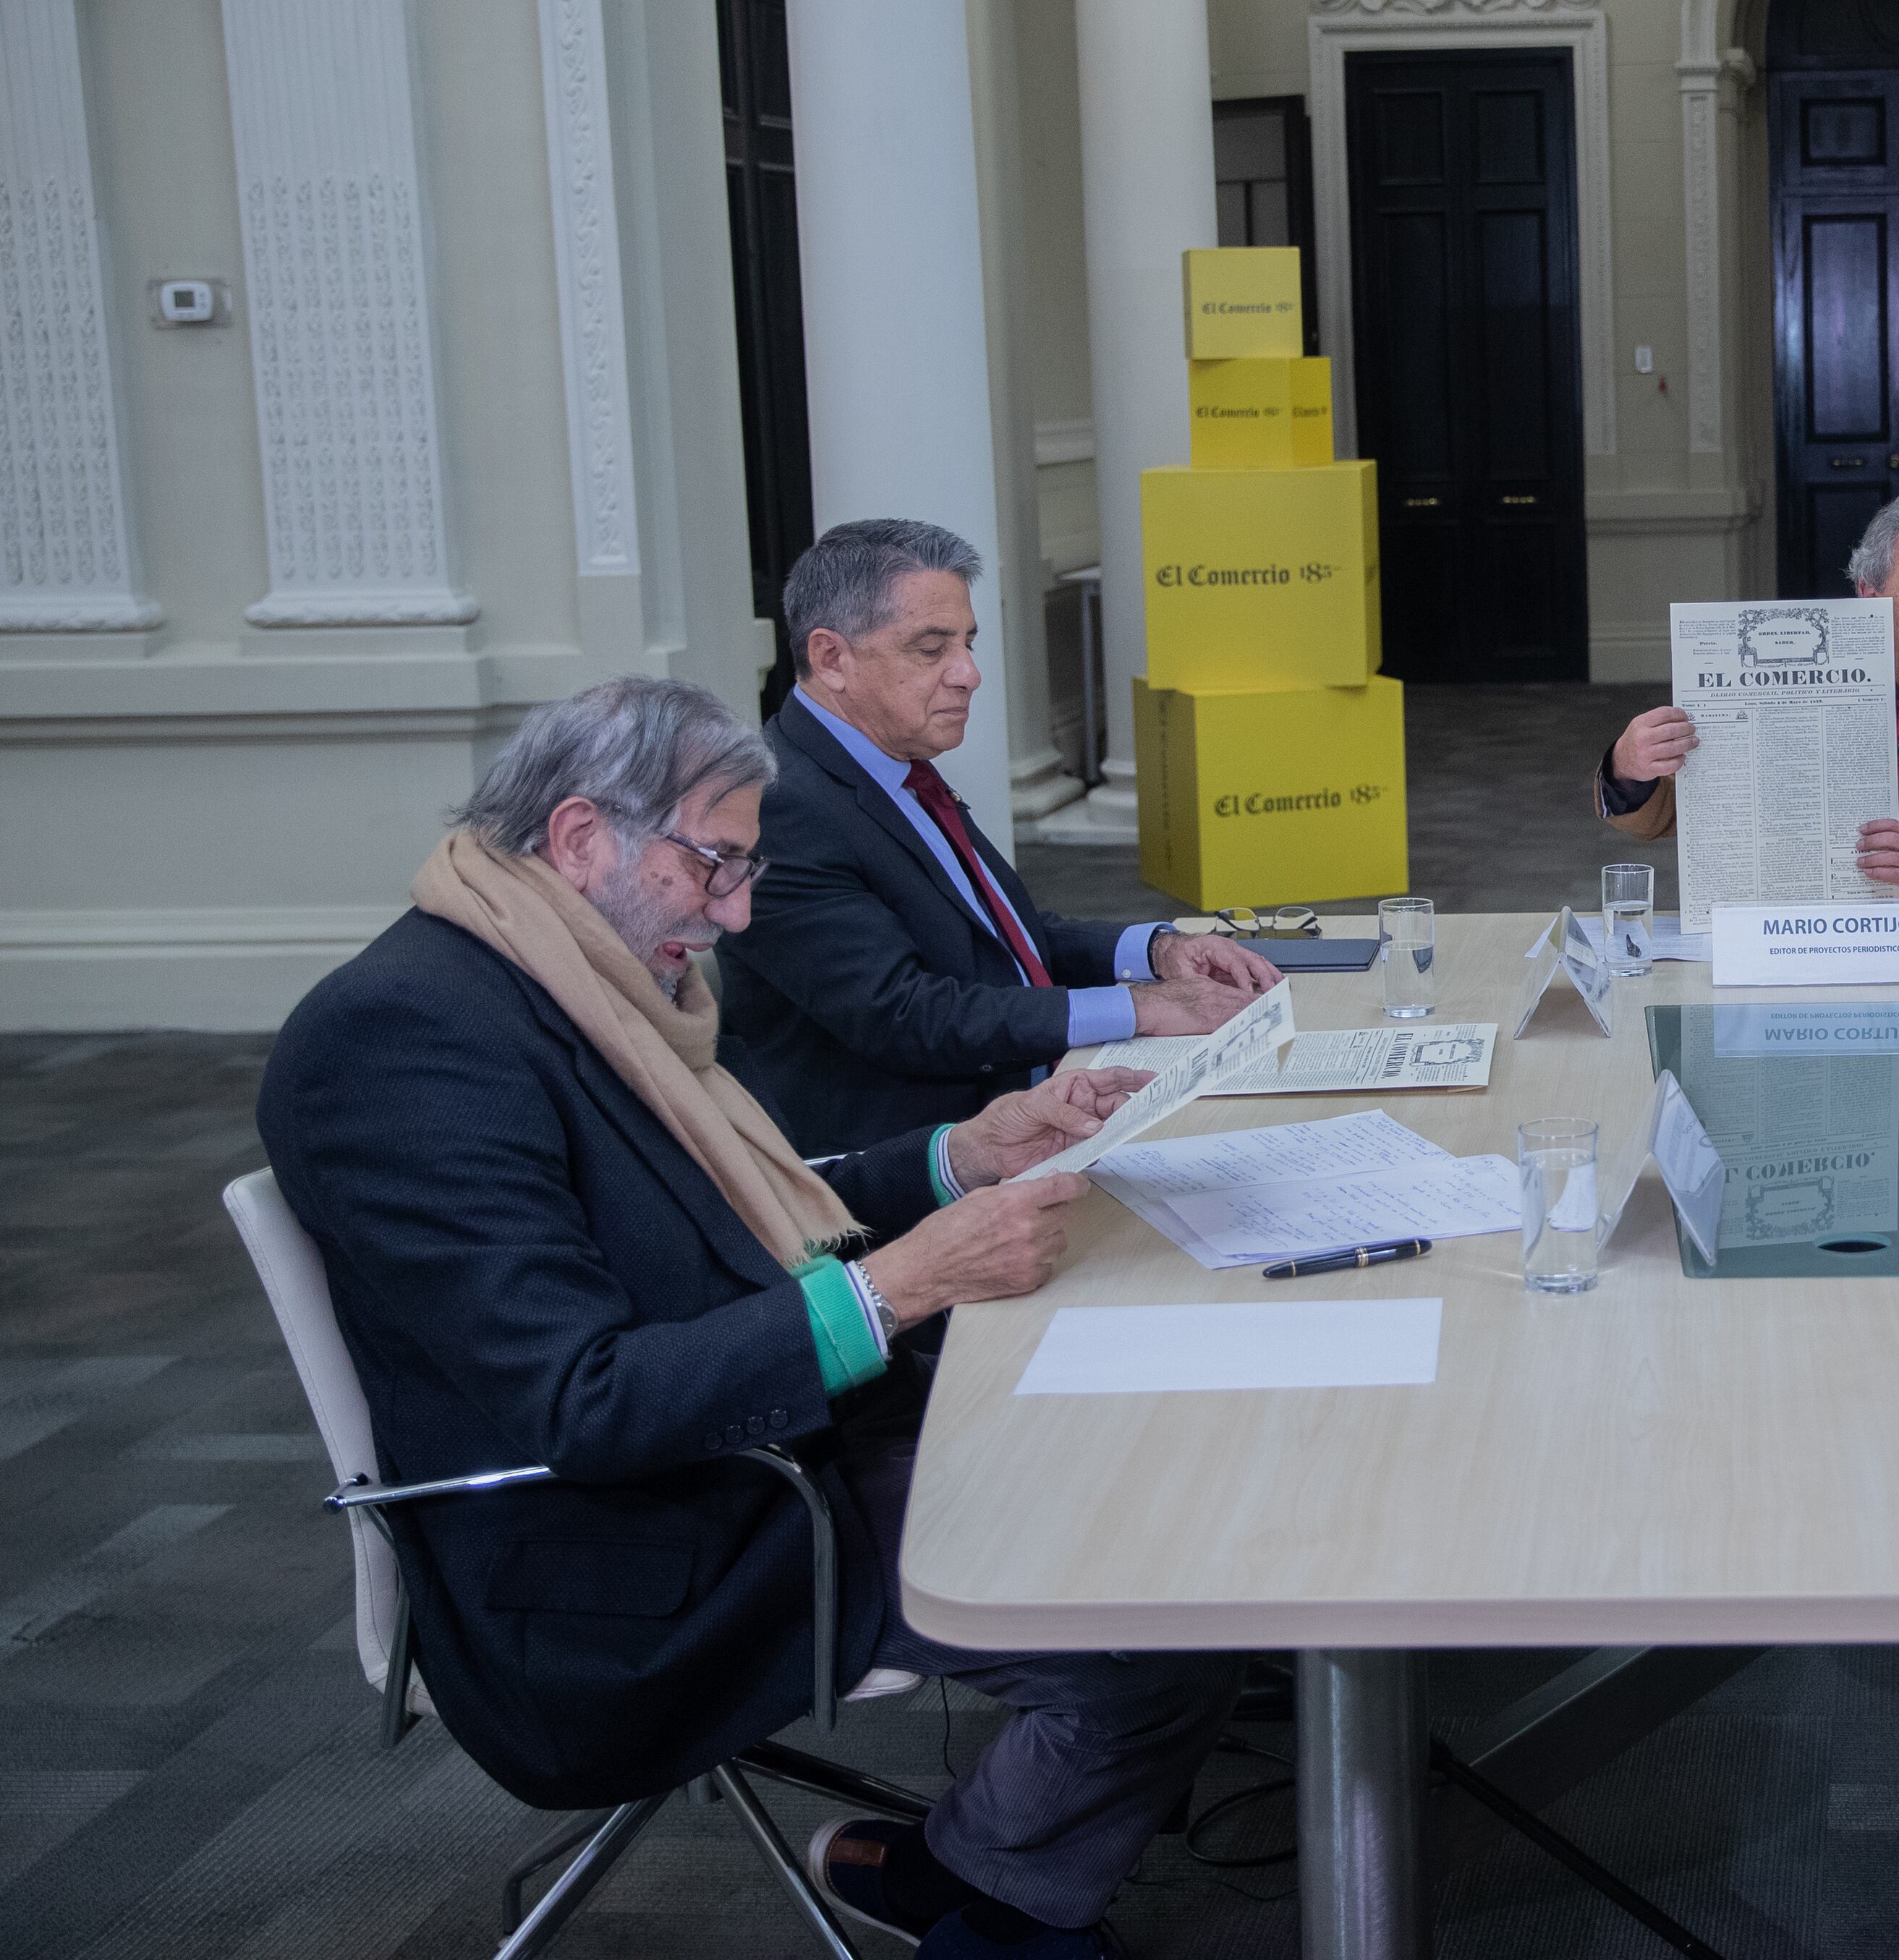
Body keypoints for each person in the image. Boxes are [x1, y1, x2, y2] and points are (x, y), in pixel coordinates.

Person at [259, 676, 1233, 1960]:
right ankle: (984, 1901)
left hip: (745, 1453)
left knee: (1162, 1495)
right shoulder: (401, 1039)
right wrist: (901, 1283)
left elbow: (721, 1217)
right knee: (1148, 1613)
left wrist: (961, 1155)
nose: (737, 912)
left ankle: (973, 1876)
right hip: (624, 1551)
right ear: (578, 838)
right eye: (714, 866)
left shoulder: (554, 970)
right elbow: (586, 1401)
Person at [721, 519, 1278, 1149]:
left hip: (1037, 1104)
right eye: (932, 649)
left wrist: (1154, 952)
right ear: (832, 658)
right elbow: (905, 1014)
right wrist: (1143, 1007)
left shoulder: (894, 762)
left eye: (968, 643)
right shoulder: (782, 803)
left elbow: (999, 938)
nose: (968, 674)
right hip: (915, 1170)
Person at [1596, 481, 1899, 909]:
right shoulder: (1782, 682)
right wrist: (1628, 766)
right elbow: (1663, 820)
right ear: (1870, 594)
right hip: (1799, 951)